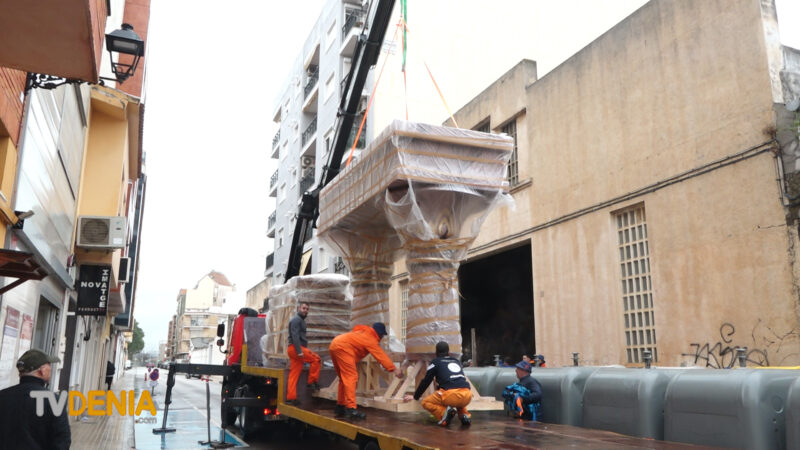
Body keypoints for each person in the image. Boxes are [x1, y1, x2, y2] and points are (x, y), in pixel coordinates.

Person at [329, 322, 402, 419]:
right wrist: (394, 369)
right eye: (382, 336)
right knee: (351, 377)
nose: (381, 338)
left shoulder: (364, 332)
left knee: (343, 378)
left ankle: (340, 406)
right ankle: (351, 409)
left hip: (335, 344)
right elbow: (380, 355)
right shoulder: (371, 338)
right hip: (343, 347)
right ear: (380, 334)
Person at [0, 349, 71, 449]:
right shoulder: (54, 401)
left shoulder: (3, 395)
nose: (51, 369)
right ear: (42, 370)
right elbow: (62, 441)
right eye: (49, 365)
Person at [403, 341, 473, 427]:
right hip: (467, 395)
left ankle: (444, 414)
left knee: (426, 402)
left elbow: (426, 381)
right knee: (457, 398)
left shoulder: (435, 362)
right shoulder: (456, 361)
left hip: (450, 395)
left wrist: (415, 396)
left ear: (436, 353)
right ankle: (465, 415)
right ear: (449, 352)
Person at [286, 302, 321, 405]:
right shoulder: (297, 320)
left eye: (307, 309)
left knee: (294, 374)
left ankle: (291, 398)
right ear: (299, 308)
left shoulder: (299, 320)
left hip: (293, 349)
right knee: (316, 359)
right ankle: (312, 382)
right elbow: (295, 335)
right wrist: (299, 351)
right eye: (303, 308)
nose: (305, 310)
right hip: (296, 348)